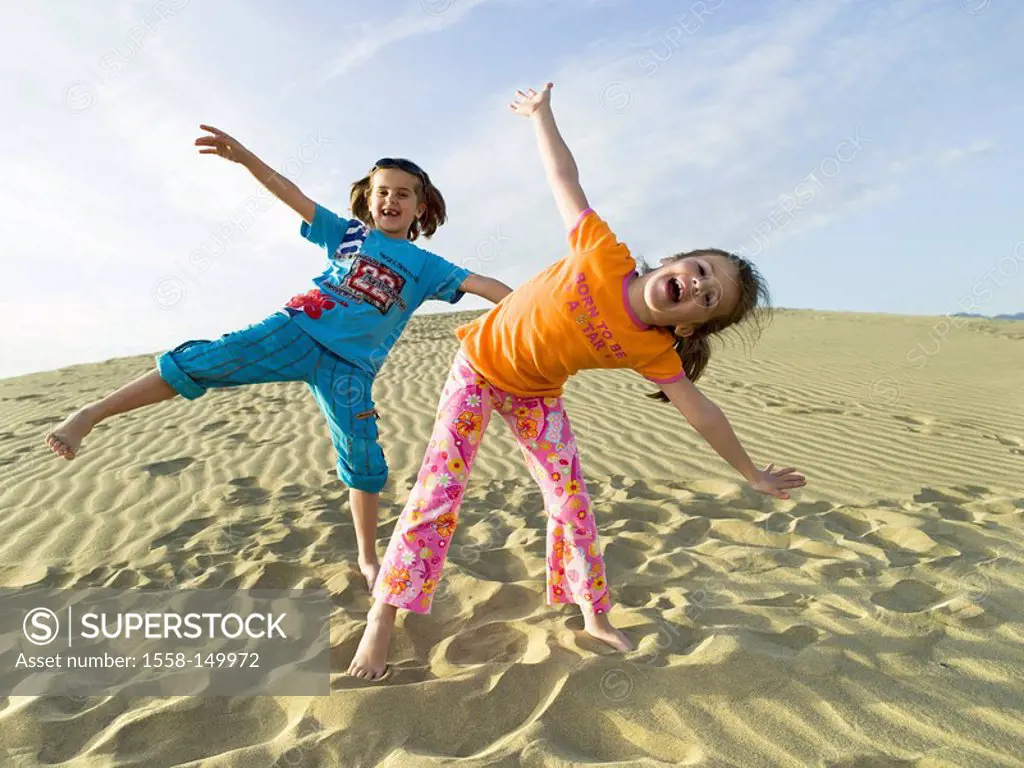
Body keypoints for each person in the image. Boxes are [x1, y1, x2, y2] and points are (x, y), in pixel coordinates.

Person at [346, 83, 806, 680]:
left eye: (709, 297)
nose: (696, 285)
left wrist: (752, 474)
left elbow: (703, 413)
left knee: (571, 501)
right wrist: (542, 114)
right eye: (697, 270)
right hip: (479, 369)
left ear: (697, 323)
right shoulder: (602, 252)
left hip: (537, 395)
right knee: (439, 492)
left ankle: (593, 612)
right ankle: (384, 614)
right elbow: (564, 178)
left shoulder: (653, 348)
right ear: (672, 261)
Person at [45, 125, 512, 590]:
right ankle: (90, 414)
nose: (391, 201)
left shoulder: (431, 267)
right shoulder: (348, 235)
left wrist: (537, 311)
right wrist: (246, 158)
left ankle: (368, 559)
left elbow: (488, 287)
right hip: (294, 331)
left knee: (365, 460)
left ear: (421, 206)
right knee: (201, 362)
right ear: (368, 200)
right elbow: (292, 194)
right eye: (382, 192)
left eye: (403, 194)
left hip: (349, 371)